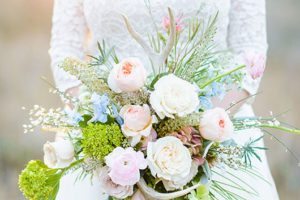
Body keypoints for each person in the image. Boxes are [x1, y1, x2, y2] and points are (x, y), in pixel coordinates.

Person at [49, 0, 279, 199]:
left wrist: (196, 131)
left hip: (213, 133)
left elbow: (250, 50)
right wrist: (111, 130)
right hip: (105, 139)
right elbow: (65, 50)